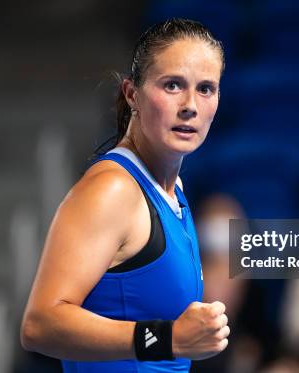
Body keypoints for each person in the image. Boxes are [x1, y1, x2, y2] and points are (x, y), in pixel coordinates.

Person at [20, 18, 229, 372]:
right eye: (173, 85)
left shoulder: (173, 190)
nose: (191, 105)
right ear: (132, 94)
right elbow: (39, 325)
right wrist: (168, 339)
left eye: (206, 89)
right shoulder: (112, 190)